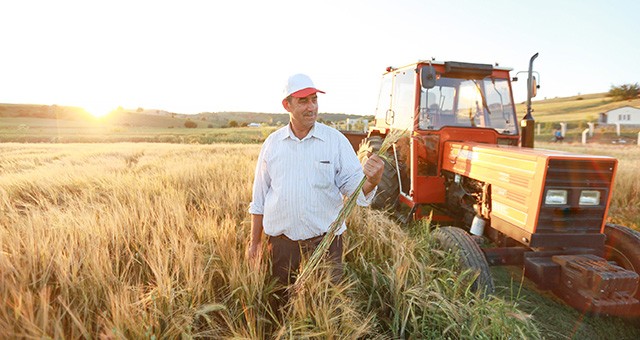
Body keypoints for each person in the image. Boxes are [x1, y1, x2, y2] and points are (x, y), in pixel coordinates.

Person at [247, 73, 385, 289]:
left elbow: (356, 189)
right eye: (303, 101)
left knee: (325, 304)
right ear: (287, 105)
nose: (311, 107)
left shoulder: (335, 141)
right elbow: (259, 199)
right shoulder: (272, 144)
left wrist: (373, 180)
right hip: (281, 247)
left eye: (314, 99)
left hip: (326, 245)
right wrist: (254, 243)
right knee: (281, 302)